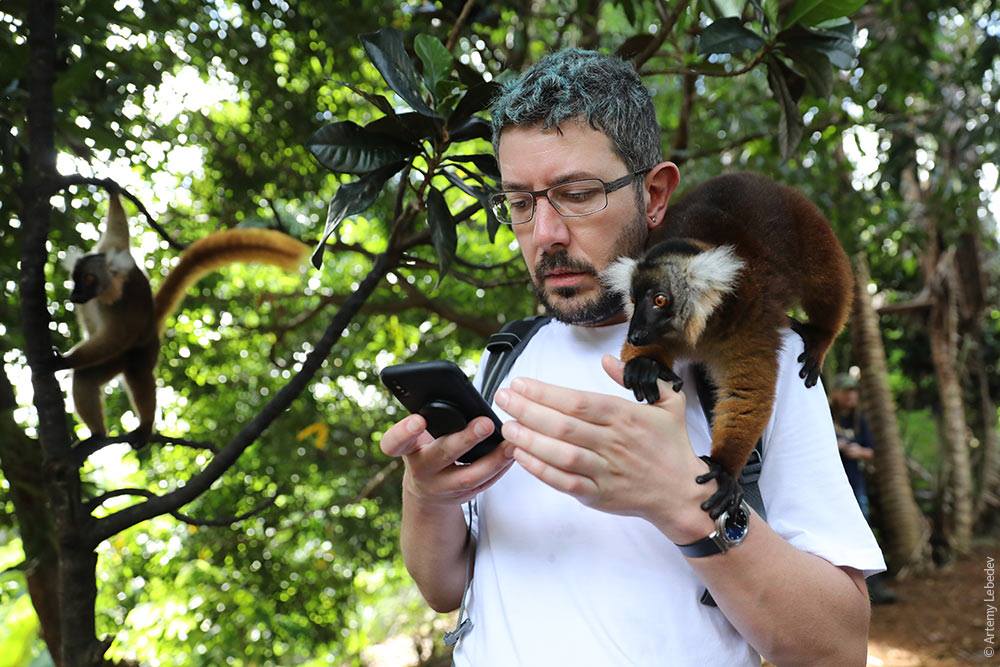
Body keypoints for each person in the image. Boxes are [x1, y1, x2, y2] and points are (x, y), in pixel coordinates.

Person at [380, 49, 885, 665]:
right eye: (519, 202)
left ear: (653, 194)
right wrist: (426, 496)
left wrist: (684, 503)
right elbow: (443, 588)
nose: (545, 235)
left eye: (577, 193)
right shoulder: (507, 360)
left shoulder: (763, 354)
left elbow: (837, 649)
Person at [830, 372, 898, 605]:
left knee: (863, 531)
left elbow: (872, 451)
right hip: (830, 486)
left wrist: (855, 451)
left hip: (855, 484)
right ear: (836, 393)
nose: (851, 396)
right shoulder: (824, 414)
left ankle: (872, 587)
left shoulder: (860, 419)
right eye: (846, 391)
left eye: (854, 391)